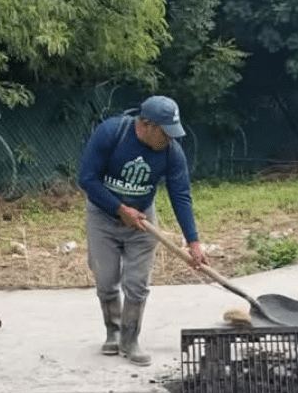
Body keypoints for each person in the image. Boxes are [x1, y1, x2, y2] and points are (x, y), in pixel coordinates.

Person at [78, 95, 208, 366]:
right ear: (146, 124)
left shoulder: (172, 152)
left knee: (137, 285)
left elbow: (181, 195)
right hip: (103, 217)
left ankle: (130, 339)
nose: (169, 139)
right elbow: (87, 178)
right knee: (106, 280)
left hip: (142, 222)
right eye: (165, 132)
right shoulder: (112, 133)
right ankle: (112, 332)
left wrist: (193, 241)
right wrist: (119, 209)